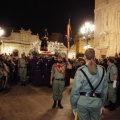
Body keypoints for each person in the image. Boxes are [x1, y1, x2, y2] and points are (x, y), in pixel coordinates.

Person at [70, 48, 108, 120]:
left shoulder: (81, 70)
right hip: (97, 102)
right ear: (94, 57)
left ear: (84, 56)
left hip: (83, 102)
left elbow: (75, 91)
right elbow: (104, 89)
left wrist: (74, 106)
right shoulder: (102, 70)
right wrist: (102, 104)